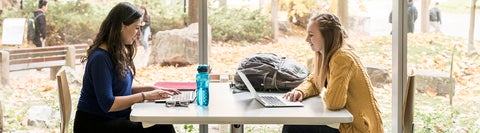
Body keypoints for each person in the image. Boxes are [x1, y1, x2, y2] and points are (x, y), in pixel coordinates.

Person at [73, 2, 179, 133]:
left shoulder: (115, 52)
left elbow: (121, 90)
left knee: (162, 124)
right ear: (122, 26)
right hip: (96, 125)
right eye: (136, 28)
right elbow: (109, 104)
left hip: (113, 119)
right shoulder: (100, 58)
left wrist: (153, 89)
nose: (139, 33)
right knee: (162, 127)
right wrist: (145, 95)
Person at [282, 13, 383, 133]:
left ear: (326, 37)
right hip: (348, 125)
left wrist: (326, 90)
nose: (306, 39)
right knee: (294, 124)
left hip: (359, 129)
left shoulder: (342, 58)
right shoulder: (330, 56)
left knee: (293, 126)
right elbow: (314, 81)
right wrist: (300, 91)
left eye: (311, 35)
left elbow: (334, 103)